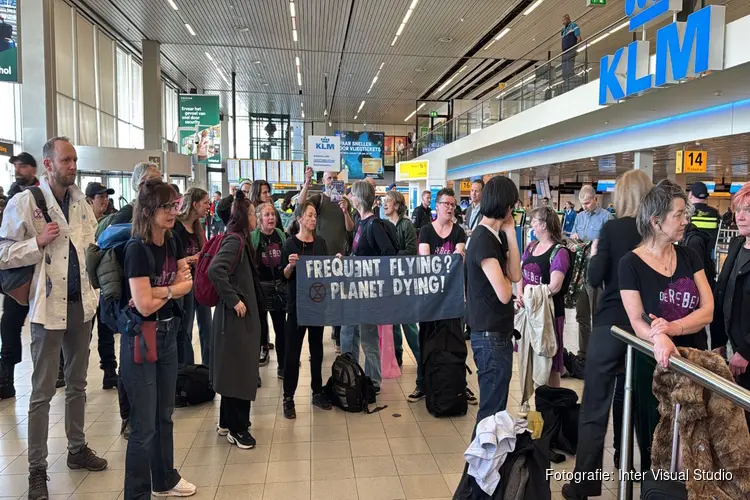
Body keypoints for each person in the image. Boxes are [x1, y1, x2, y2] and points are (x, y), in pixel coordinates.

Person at [0, 138, 108, 500]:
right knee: (42, 392)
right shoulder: (25, 202)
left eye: (75, 159)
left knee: (78, 383)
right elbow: (3, 253)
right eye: (66, 159)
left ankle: (77, 449)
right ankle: (37, 468)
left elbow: (91, 246)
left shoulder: (80, 202)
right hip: (47, 310)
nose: (72, 165)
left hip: (81, 306)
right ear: (48, 165)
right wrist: (37, 243)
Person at [561, 170, 652, 500]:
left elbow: (595, 276)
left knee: (595, 407)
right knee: (642, 404)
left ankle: (584, 484)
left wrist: (599, 250)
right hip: (645, 327)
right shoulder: (653, 231)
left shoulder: (612, 228)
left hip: (611, 324)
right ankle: (643, 474)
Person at [619, 180, 712, 479]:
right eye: (679, 215)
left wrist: (673, 327)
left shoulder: (689, 256)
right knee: (656, 448)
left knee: (695, 449)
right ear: (656, 221)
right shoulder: (629, 264)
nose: (686, 221)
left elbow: (707, 310)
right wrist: (659, 336)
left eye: (686, 214)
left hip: (694, 364)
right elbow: (637, 320)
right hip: (653, 368)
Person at [121, 180, 196, 498]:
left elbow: (187, 285)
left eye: (175, 205)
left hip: (168, 333)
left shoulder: (174, 241)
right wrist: (170, 290)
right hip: (144, 335)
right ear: (149, 209)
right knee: (144, 424)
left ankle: (164, 478)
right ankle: (137, 494)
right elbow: (143, 306)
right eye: (167, 206)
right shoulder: (136, 249)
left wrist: (160, 291)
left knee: (165, 414)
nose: (173, 212)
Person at [466, 176, 521, 422]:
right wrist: (507, 280)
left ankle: (485, 461)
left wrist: (510, 232)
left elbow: (516, 274)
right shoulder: (482, 239)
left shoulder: (493, 236)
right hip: (490, 336)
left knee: (494, 409)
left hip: (495, 332)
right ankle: (479, 461)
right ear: (507, 207)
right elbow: (505, 292)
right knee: (491, 412)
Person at [209, 191, 261, 449]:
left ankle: (226, 422)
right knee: (240, 370)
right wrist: (235, 300)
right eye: (252, 214)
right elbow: (215, 270)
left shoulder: (237, 238)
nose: (256, 218)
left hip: (233, 317)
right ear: (242, 217)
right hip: (236, 317)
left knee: (232, 368)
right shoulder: (235, 241)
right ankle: (238, 429)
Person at [418, 187, 476, 404]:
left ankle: (458, 383)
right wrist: (448, 260)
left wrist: (447, 260)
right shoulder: (426, 231)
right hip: (429, 297)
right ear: (437, 206)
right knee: (426, 338)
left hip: (452, 297)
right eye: (447, 204)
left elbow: (457, 259)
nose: (451, 208)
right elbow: (426, 261)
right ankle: (423, 383)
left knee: (455, 340)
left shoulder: (458, 232)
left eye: (453, 204)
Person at [340, 181, 397, 394]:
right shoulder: (360, 222)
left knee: (368, 336)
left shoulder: (374, 225)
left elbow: (388, 253)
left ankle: (373, 380)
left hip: (369, 291)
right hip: (356, 289)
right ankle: (349, 373)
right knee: (348, 331)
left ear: (359, 197)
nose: (350, 197)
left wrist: (373, 275)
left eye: (352, 194)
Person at [281, 201, 333, 419]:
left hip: (317, 306)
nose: (313, 219)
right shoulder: (289, 244)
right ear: (299, 218)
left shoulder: (320, 243)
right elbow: (283, 275)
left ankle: (317, 390)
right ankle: (288, 397)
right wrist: (291, 266)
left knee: (317, 350)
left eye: (315, 216)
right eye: (309, 215)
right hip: (296, 306)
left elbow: (328, 271)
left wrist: (336, 262)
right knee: (292, 352)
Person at [297, 167, 355, 350]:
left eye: (335, 178)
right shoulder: (319, 199)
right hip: (320, 257)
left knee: (338, 297)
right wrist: (307, 182)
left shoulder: (344, 201)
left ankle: (338, 336)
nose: (332, 181)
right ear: (323, 181)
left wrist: (346, 212)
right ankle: (317, 339)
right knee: (320, 297)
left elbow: (350, 228)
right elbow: (300, 205)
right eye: (329, 178)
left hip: (340, 256)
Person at [517, 206, 571, 390]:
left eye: (534, 221)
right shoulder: (531, 247)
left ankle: (551, 407)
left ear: (544, 225)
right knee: (530, 357)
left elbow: (555, 286)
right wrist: (520, 294)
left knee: (550, 360)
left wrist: (531, 295)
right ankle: (533, 406)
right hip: (530, 313)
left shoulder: (559, 252)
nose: (531, 224)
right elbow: (520, 272)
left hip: (550, 314)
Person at [710, 183, 750, 428]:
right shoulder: (736, 245)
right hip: (730, 348)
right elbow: (722, 292)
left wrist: (746, 351)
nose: (741, 215)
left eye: (748, 209)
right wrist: (717, 341)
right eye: (739, 209)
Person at [0, 152, 40, 399]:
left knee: (49, 324)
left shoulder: (42, 196)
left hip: (40, 269)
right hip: (15, 271)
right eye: (15, 165)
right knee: (10, 322)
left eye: (22, 165)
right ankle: (6, 374)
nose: (17, 169)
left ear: (34, 169)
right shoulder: (12, 195)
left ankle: (57, 369)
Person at [383, 190, 423, 401]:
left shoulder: (406, 225)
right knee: (394, 323)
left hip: (404, 279)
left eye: (388, 201)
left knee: (407, 323)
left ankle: (420, 358)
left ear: (397, 205)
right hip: (391, 279)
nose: (384, 204)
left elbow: (411, 251)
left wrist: (391, 256)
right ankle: (397, 357)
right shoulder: (384, 223)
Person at [570, 184, 612, 360]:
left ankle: (599, 352)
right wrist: (574, 240)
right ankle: (583, 353)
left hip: (597, 274)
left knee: (597, 314)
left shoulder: (606, 218)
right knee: (582, 315)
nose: (585, 206)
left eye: (587, 203)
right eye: (582, 203)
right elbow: (573, 236)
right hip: (580, 273)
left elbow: (609, 246)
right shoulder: (579, 217)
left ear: (596, 199)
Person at [85, 182, 120, 390]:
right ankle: (68, 371)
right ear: (90, 200)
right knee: (84, 331)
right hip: (86, 286)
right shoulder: (82, 224)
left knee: (106, 328)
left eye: (106, 197)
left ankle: (109, 371)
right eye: (100, 197)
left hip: (105, 283)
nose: (105, 201)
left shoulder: (111, 222)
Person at [174, 187, 212, 366]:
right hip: (184, 284)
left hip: (199, 283)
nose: (208, 206)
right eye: (205, 203)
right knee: (186, 329)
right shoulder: (175, 227)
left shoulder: (198, 227)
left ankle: (209, 371)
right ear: (195, 204)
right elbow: (171, 259)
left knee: (207, 328)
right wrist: (189, 260)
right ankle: (187, 372)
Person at [251, 202, 287, 373]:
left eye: (273, 214)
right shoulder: (253, 238)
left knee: (281, 328)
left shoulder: (280, 235)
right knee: (258, 329)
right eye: (267, 215)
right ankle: (254, 369)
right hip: (260, 288)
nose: (271, 217)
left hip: (278, 287)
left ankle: (283, 365)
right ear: (259, 219)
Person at [684, 181, 720, 284]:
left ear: (690, 194)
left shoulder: (688, 213)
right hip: (708, 258)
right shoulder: (714, 213)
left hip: (690, 258)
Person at [561, 14, 582, 91]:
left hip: (571, 50)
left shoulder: (574, 25)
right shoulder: (563, 31)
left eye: (564, 20)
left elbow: (579, 38)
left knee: (570, 68)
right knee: (565, 71)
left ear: (568, 19)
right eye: (562, 20)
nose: (563, 22)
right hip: (565, 52)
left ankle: (571, 85)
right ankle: (566, 86)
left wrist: (575, 48)